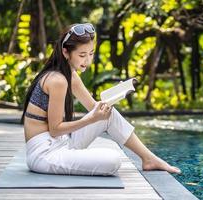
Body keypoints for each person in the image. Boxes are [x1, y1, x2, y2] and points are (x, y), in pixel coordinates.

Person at [21, 23, 181, 176]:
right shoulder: (57, 80)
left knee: (108, 113)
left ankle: (149, 159)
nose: (87, 61)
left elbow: (95, 108)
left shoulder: (70, 75)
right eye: (82, 55)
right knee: (113, 160)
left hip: (61, 143)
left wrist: (116, 93)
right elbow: (55, 129)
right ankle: (145, 159)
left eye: (91, 54)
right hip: (44, 154)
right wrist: (90, 119)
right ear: (65, 52)